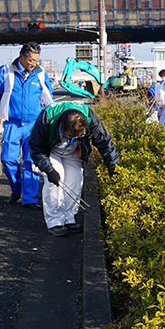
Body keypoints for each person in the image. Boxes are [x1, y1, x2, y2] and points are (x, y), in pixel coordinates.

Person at [29, 101, 119, 236]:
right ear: (62, 127)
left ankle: (69, 218)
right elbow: (36, 148)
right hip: (52, 150)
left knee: (76, 180)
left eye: (80, 135)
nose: (76, 137)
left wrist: (112, 165)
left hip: (74, 150)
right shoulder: (47, 118)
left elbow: (104, 141)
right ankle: (54, 221)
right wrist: (49, 170)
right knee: (56, 183)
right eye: (71, 135)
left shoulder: (89, 117)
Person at [0, 42, 54, 210]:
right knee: (8, 159)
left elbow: (48, 98)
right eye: (30, 60)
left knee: (32, 162)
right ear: (21, 57)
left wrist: (53, 119)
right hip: (12, 124)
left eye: (36, 60)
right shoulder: (5, 72)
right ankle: (17, 188)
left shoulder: (40, 73)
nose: (33, 63)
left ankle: (30, 199)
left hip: (34, 126)